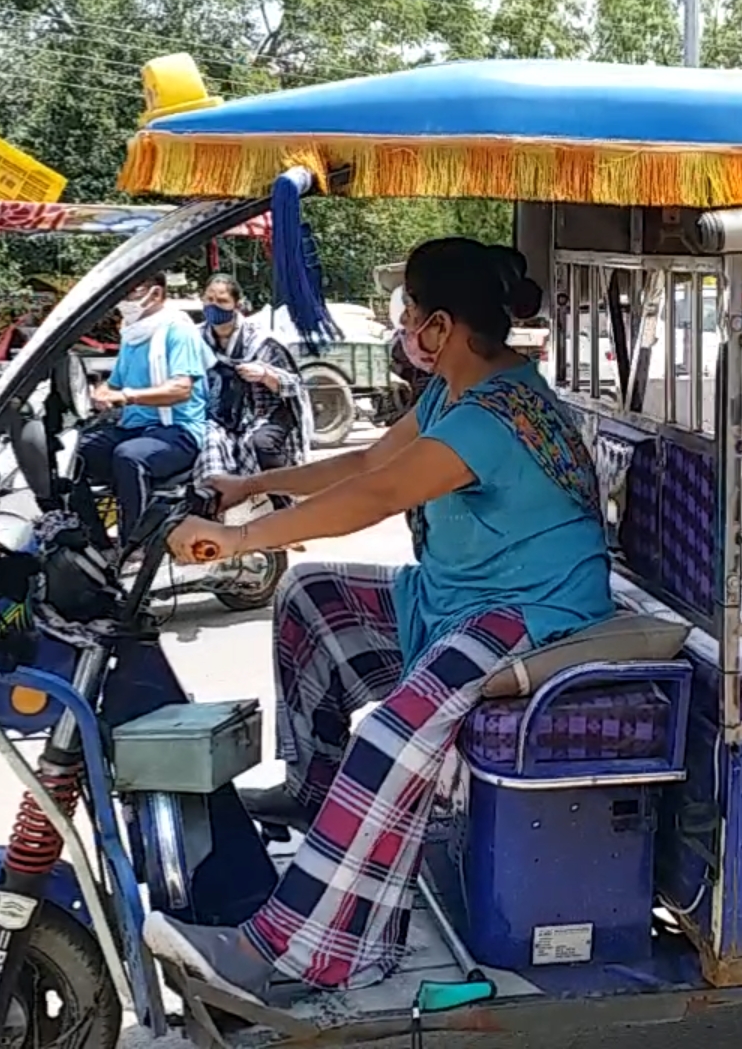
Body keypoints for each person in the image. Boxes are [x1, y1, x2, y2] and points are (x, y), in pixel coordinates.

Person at [142, 237, 612, 998]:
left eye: (411, 316)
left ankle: (295, 951)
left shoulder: (491, 417)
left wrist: (239, 539)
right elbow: (367, 465)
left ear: (441, 327)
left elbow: (375, 500)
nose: (404, 330)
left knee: (396, 730)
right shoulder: (457, 390)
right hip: (461, 595)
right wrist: (246, 486)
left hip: (534, 611)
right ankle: (313, 788)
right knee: (312, 600)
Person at [78, 273, 209, 546]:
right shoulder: (131, 334)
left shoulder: (177, 331)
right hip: (134, 428)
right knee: (72, 455)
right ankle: (94, 542)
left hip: (178, 431)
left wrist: (127, 396)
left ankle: (134, 546)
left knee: (129, 457)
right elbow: (113, 383)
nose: (125, 300)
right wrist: (99, 393)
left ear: (157, 294)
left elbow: (180, 389)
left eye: (132, 293)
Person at [199, 274, 310, 505]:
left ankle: (285, 509)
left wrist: (265, 375)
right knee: (207, 441)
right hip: (218, 414)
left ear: (236, 305)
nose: (213, 306)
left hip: (265, 411)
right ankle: (214, 511)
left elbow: (292, 383)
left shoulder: (261, 340)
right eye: (209, 299)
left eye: (221, 301)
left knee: (261, 443)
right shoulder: (196, 339)